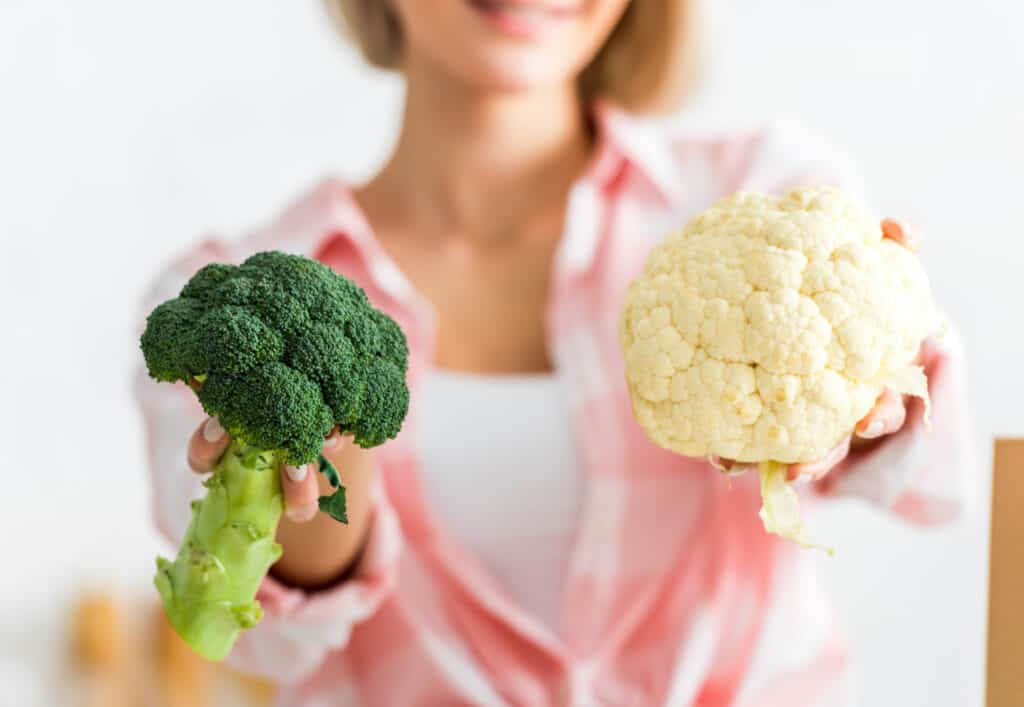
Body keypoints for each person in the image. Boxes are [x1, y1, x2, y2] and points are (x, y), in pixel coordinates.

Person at [137, 1, 974, 704]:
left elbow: (936, 481)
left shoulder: (756, 188)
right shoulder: (225, 298)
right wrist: (311, 476)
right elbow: (254, 642)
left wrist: (860, 394)